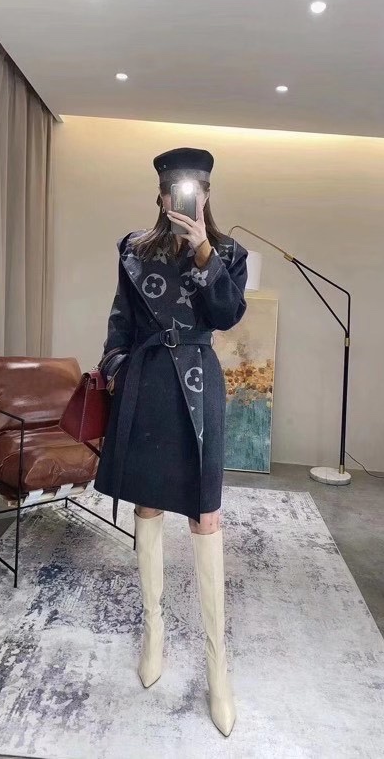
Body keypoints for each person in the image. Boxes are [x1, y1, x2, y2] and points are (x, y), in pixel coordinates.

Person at [93, 147, 248, 736]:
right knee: (149, 506)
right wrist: (117, 368)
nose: (183, 198)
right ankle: (153, 631)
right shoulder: (134, 251)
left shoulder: (227, 253)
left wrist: (204, 249)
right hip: (148, 383)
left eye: (195, 189)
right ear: (159, 195)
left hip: (200, 386)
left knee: (206, 516)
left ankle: (217, 667)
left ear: (206, 194)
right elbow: (120, 321)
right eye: (174, 189)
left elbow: (226, 315)